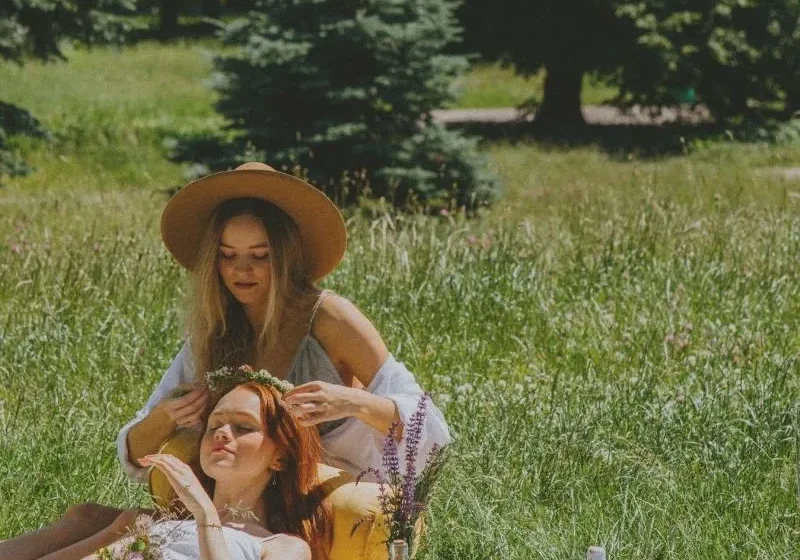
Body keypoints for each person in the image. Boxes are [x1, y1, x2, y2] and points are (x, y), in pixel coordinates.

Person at [120, 162, 451, 481]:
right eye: (227, 255)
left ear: (285, 256)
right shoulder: (214, 331)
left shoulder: (330, 318)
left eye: (260, 255)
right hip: (247, 503)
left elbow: (432, 432)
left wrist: (350, 403)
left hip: (339, 502)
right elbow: (134, 454)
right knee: (89, 515)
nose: (241, 270)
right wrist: (167, 415)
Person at [1, 375, 332, 560]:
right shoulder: (153, 525)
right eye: (215, 423)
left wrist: (205, 514)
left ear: (280, 457)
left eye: (243, 427)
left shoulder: (283, 546)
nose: (221, 432)